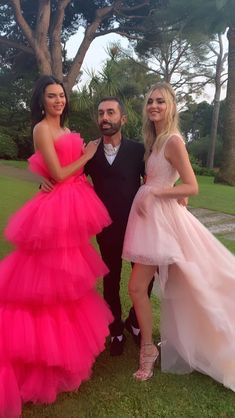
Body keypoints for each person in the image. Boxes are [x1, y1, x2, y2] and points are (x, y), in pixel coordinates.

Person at [0, 75, 113, 418]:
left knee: (68, 285)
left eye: (61, 95)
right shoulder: (41, 130)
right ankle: (37, 358)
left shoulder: (65, 129)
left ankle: (63, 357)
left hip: (73, 208)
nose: (58, 100)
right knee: (45, 284)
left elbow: (69, 174)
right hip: (55, 210)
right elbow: (60, 173)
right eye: (51, 96)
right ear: (41, 100)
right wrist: (88, 154)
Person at [122, 81, 235, 391]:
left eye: (161, 101)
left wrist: (159, 191)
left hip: (164, 223)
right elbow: (173, 183)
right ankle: (156, 344)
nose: (154, 106)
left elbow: (192, 186)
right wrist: (165, 191)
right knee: (171, 287)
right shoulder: (154, 140)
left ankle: (148, 349)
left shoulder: (172, 140)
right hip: (151, 221)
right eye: (150, 101)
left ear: (170, 106)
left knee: (141, 286)